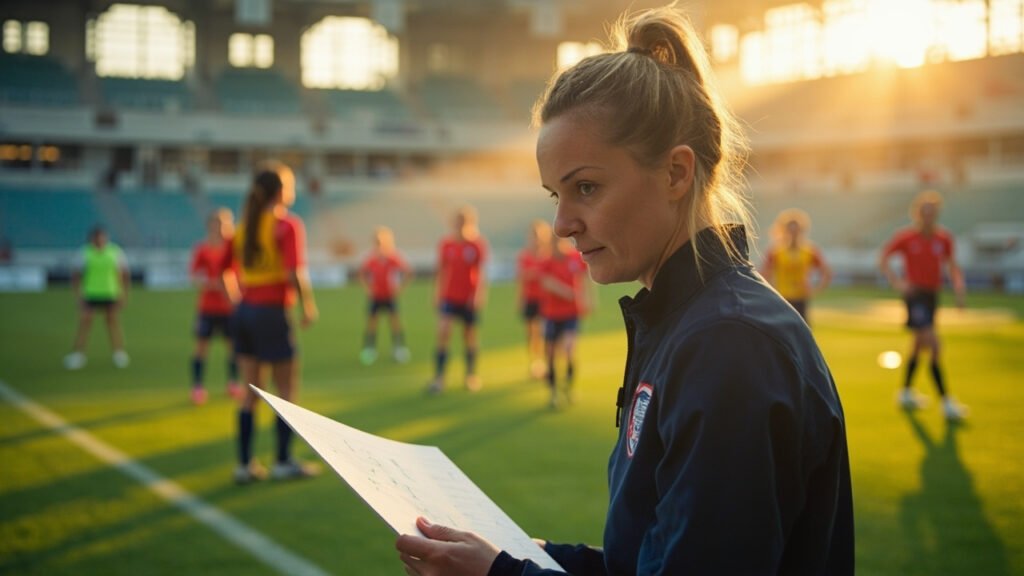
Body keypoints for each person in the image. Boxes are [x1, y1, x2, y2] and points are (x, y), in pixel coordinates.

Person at [396, 5, 854, 575]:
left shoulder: (728, 344)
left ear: (676, 174)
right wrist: (525, 558)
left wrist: (503, 575)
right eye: (554, 196)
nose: (563, 225)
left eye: (585, 187)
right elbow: (650, 557)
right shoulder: (683, 321)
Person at [222, 161, 320, 484]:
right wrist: (307, 304)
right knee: (286, 390)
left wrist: (239, 298)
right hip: (272, 313)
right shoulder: (286, 225)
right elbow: (294, 271)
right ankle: (282, 461)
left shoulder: (242, 227)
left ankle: (245, 464)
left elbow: (224, 269)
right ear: (280, 191)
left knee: (250, 393)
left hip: (246, 313)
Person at [879, 190, 968, 421]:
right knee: (934, 346)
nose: (928, 216)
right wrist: (898, 282)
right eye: (924, 212)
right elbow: (884, 258)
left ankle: (905, 393)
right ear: (917, 213)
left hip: (932, 296)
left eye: (932, 212)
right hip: (915, 295)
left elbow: (952, 266)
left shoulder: (943, 239)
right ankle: (947, 402)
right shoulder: (906, 237)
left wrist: (959, 289)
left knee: (918, 345)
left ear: (936, 214)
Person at [428, 206, 489, 394]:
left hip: (468, 299)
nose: (460, 225)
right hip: (449, 297)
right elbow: (440, 271)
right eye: (458, 221)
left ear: (470, 223)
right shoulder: (446, 245)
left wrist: (477, 296)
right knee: (443, 333)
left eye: (464, 221)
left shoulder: (477, 244)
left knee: (469, 337)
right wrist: (437, 294)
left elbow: (480, 274)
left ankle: (470, 375)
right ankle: (439, 378)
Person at [189, 208, 241, 405]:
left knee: (233, 347)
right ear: (210, 225)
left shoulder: (234, 248)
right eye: (217, 223)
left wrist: (234, 290)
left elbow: (239, 274)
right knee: (201, 348)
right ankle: (197, 386)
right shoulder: (202, 248)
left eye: (225, 223)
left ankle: (233, 383)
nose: (221, 227)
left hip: (229, 307)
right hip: (208, 307)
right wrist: (211, 284)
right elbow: (195, 276)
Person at [64, 226, 130, 370]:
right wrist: (78, 295)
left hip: (110, 292)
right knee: (85, 323)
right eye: (98, 238)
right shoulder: (84, 253)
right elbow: (76, 275)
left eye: (103, 238)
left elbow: (123, 273)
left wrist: (123, 294)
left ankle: (119, 353)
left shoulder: (115, 252)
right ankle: (78, 354)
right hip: (90, 293)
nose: (101, 241)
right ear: (92, 239)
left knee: (112, 322)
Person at [539, 235, 589, 408]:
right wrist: (567, 292)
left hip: (571, 312)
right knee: (551, 354)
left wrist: (587, 299)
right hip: (552, 314)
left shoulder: (575, 258)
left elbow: (584, 279)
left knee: (569, 349)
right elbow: (546, 282)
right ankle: (553, 393)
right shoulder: (546, 261)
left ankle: (569, 387)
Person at [760, 208, 831, 322]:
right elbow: (764, 275)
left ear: (802, 231)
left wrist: (815, 289)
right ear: (784, 231)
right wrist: (771, 291)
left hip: (801, 299)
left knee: (802, 333)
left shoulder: (810, 251)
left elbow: (826, 272)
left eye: (796, 230)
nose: (793, 233)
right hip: (782, 298)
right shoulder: (776, 252)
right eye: (790, 230)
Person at [359, 226, 412, 365]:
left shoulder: (393, 257)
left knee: (395, 323)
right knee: (372, 323)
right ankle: (369, 349)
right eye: (377, 241)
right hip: (376, 296)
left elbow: (407, 272)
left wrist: (400, 288)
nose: (379, 244)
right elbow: (362, 274)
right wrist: (368, 288)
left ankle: (399, 348)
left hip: (390, 296)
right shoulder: (371, 259)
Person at [516, 220, 553, 379]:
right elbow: (522, 277)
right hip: (530, 298)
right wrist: (520, 299)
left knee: (546, 333)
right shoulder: (525, 256)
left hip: (546, 300)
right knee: (532, 334)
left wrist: (535, 273)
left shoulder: (549, 255)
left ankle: (547, 363)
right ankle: (534, 363)